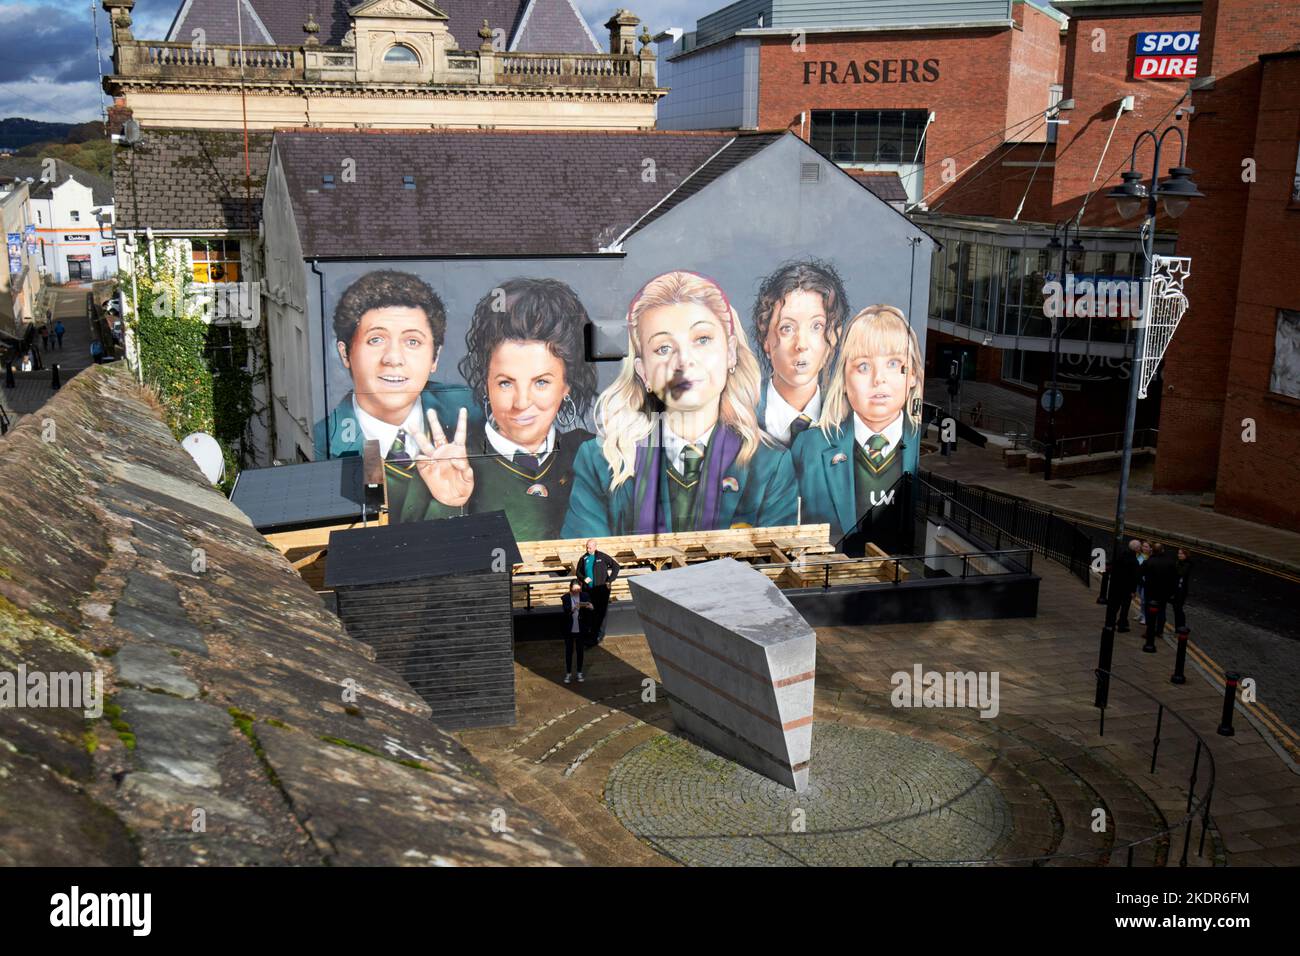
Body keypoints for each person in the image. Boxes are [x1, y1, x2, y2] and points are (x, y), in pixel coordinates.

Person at [561, 270, 797, 537]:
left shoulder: (770, 464)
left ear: (730, 353)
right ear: (643, 371)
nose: (684, 361)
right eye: (663, 348)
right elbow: (587, 566)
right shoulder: (600, 460)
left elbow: (775, 569)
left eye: (702, 340)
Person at [401, 278, 598, 538]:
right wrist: (448, 504)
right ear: (486, 383)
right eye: (506, 383)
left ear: (567, 384)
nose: (521, 403)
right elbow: (420, 563)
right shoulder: (447, 463)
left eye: (541, 382)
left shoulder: (590, 454)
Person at [311, 270, 478, 523]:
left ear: (435, 357)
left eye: (412, 342)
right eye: (376, 339)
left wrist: (451, 501)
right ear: (345, 354)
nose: (393, 358)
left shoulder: (477, 414)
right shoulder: (322, 442)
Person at [791, 304, 924, 540]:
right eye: (863, 366)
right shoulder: (809, 446)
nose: (878, 379)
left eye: (893, 363)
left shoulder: (921, 448)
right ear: (843, 377)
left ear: (912, 374)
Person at [750, 260, 849, 448]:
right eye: (786, 328)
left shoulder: (848, 420)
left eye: (816, 326)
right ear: (765, 339)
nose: (801, 344)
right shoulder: (739, 416)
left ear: (834, 335)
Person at [574, 539, 620, 643]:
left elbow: (616, 566)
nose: (588, 549)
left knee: (601, 612)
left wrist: (609, 581)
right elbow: (578, 572)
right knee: (590, 611)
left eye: (590, 547)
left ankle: (600, 634)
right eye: (587, 547)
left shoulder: (602, 557)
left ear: (595, 547)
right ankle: (591, 634)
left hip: (602, 590)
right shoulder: (583, 558)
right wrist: (584, 578)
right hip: (589, 591)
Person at [1141, 542, 1178, 646]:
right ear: (1163, 550)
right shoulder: (1171, 562)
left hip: (1151, 591)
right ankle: (1160, 631)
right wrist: (1172, 592)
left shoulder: (1149, 561)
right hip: (1164, 592)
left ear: (1153, 550)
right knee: (1162, 611)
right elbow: (1175, 578)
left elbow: (1141, 573)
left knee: (1149, 611)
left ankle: (1149, 631)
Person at [560, 582, 594, 684]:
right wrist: (575, 607)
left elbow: (591, 607)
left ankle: (579, 672)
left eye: (578, 589)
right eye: (575, 590)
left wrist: (590, 606)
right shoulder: (565, 598)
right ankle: (568, 673)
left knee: (580, 651)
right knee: (569, 652)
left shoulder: (585, 595)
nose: (577, 592)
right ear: (570, 589)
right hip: (569, 628)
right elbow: (566, 611)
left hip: (581, 628)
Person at [1106, 539, 1141, 632]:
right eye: (1139, 547)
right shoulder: (1134, 561)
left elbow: (1112, 568)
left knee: (1114, 606)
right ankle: (1122, 625)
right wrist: (1133, 591)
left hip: (1116, 586)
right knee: (1125, 607)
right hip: (1127, 589)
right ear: (1136, 549)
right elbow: (1135, 578)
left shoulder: (1120, 556)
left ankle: (1110, 624)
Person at [1173, 548, 1192, 630]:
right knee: (1176, 608)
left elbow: (1181, 573)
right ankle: (1178, 626)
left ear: (1186, 555)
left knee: (1178, 608)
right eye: (1178, 553)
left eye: (1181, 554)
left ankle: (1181, 626)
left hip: (1182, 590)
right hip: (1176, 589)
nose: (1179, 555)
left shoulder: (1188, 564)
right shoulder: (1178, 562)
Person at [1136, 540, 1152, 625]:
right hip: (1139, 580)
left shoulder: (1151, 558)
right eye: (1143, 546)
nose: (1144, 548)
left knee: (1144, 600)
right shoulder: (1139, 554)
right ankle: (1141, 614)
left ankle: (1145, 617)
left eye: (1146, 547)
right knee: (1141, 599)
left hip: (1146, 582)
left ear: (1150, 549)